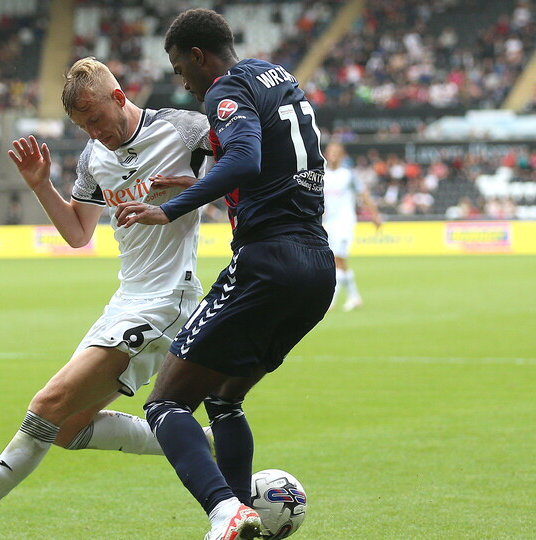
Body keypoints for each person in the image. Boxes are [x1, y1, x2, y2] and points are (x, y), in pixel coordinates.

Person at [0, 56, 213, 539]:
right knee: (67, 428)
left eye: (97, 120)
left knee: (49, 403)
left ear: (119, 98)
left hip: (169, 299)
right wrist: (41, 185)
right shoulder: (93, 158)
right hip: (127, 299)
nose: (94, 133)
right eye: (83, 127)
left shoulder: (186, 130)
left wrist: (190, 190)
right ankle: (200, 441)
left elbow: (247, 172)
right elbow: (78, 234)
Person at [114, 9, 335, 540]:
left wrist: (169, 208)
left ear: (197, 55)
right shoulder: (278, 78)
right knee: (224, 398)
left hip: (267, 262)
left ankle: (226, 511)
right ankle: (242, 520)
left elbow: (246, 162)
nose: (181, 82)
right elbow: (267, 158)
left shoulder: (223, 90)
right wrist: (200, 170)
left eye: (179, 67)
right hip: (315, 268)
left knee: (166, 403)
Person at [323, 140, 382, 311]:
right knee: (339, 261)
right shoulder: (323, 175)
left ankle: (331, 300)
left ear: (341, 155)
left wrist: (375, 215)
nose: (332, 156)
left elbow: (363, 195)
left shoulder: (348, 175)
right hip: (329, 223)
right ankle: (355, 297)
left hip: (345, 221)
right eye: (330, 152)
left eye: (336, 152)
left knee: (337, 259)